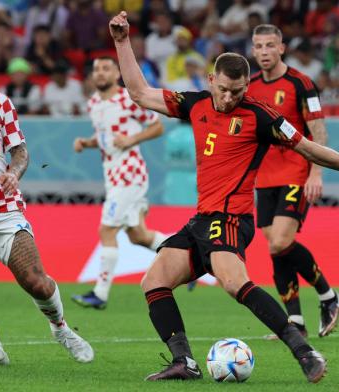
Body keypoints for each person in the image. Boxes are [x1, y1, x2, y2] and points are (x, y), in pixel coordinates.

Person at [108, 11, 339, 382]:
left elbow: (310, 148)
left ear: (247, 86)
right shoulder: (195, 103)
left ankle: (305, 351)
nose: (230, 98)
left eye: (239, 91)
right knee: (153, 282)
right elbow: (139, 93)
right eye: (224, 89)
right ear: (210, 79)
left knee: (234, 284)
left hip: (231, 219)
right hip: (201, 219)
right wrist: (122, 43)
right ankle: (185, 362)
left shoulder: (262, 116)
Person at [0, 30, 94, 367]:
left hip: (1, 205)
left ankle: (60, 328)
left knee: (36, 282)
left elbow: (21, 152)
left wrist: (14, 174)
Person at [249, 24, 338, 339]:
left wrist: (316, 171)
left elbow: (319, 131)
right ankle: (296, 322)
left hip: (296, 171)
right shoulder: (250, 86)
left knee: (281, 242)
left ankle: (329, 296)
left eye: (270, 45)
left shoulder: (301, 83)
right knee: (276, 249)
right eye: (258, 46)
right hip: (264, 178)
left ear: (282, 48)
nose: (264, 52)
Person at [71, 56, 168, 310]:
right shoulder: (93, 103)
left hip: (129, 173)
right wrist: (87, 142)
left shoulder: (128, 99)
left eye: (106, 69)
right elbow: (105, 138)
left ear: (116, 74)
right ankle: (190, 257)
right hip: (113, 175)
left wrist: (132, 139)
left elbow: (157, 127)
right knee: (139, 236)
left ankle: (100, 294)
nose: (100, 73)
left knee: (107, 230)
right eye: (96, 70)